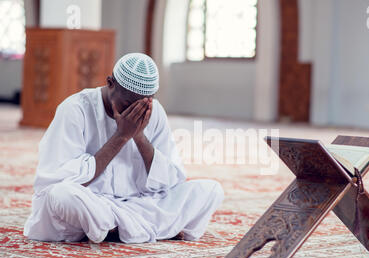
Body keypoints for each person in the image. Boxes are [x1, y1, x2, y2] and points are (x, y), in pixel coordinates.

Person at [23, 53, 224, 243]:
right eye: (128, 103)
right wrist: (121, 136)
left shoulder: (155, 111)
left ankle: (115, 230)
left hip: (138, 204)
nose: (134, 112)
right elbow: (56, 177)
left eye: (143, 105)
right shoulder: (75, 109)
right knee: (61, 195)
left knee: (210, 190)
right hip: (94, 203)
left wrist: (138, 136)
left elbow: (172, 180)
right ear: (110, 83)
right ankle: (136, 229)